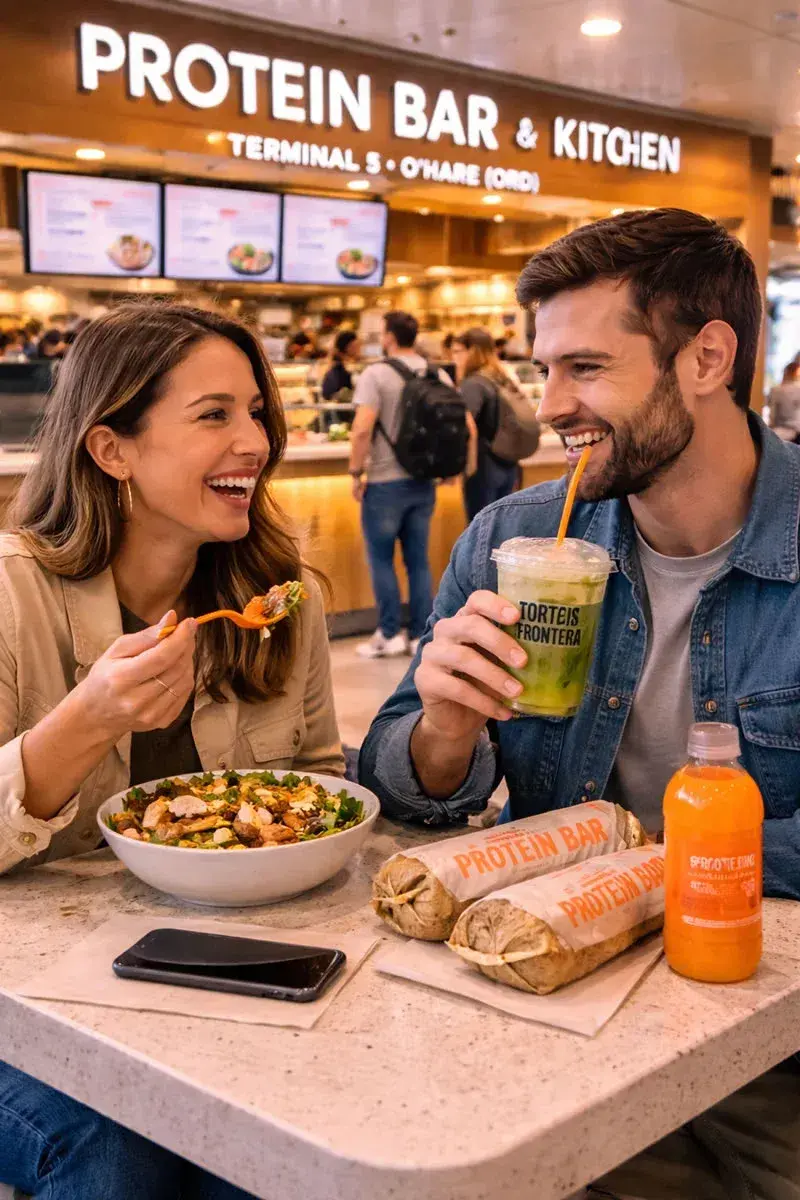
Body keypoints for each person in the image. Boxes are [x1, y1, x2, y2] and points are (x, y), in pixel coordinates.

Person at [360, 208, 800, 1199]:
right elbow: (401, 783)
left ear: (704, 357)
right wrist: (443, 725)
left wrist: (630, 863)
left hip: (766, 1032)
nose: (548, 404)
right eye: (541, 368)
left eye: (584, 369)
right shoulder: (509, 540)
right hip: (548, 992)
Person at [0, 300, 342, 1198]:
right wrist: (84, 724)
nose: (255, 442)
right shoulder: (10, 597)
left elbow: (319, 788)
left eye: (257, 412)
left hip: (208, 974)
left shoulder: (282, 600)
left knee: (270, 1151)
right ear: (112, 449)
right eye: (214, 415)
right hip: (22, 1007)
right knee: (120, 1160)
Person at [347, 311, 461, 659]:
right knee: (418, 561)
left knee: (381, 559)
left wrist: (355, 472)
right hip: (423, 481)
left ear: (389, 337)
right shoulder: (437, 372)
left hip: (384, 482)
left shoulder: (376, 373)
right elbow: (458, 424)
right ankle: (419, 635)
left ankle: (387, 633)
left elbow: (363, 427)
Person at [452, 327, 539, 521]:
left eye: (457, 351)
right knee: (500, 527)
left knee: (480, 529)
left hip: (484, 466)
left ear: (472, 352)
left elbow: (463, 425)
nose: (454, 357)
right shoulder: (501, 377)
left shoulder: (473, 383)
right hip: (508, 463)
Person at [321, 330, 359, 401]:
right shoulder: (339, 367)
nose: (358, 349)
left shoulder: (345, 364)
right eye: (355, 346)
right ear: (348, 347)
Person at [767, 358, 800, 440]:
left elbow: (772, 414)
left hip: (780, 432)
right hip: (796, 431)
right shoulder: (797, 389)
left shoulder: (776, 390)